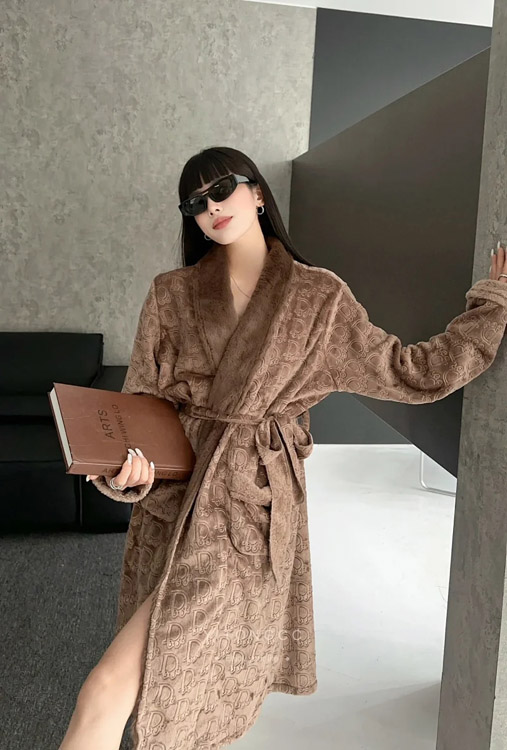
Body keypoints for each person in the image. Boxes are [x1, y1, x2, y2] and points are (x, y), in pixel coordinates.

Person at [59, 146, 507, 750]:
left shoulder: (318, 299)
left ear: (258, 193)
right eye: (196, 203)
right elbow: (141, 405)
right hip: (171, 503)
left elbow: (411, 372)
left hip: (249, 508)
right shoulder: (171, 294)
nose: (212, 207)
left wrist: (491, 307)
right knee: (161, 681)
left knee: (118, 686)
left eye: (222, 189)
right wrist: (128, 474)